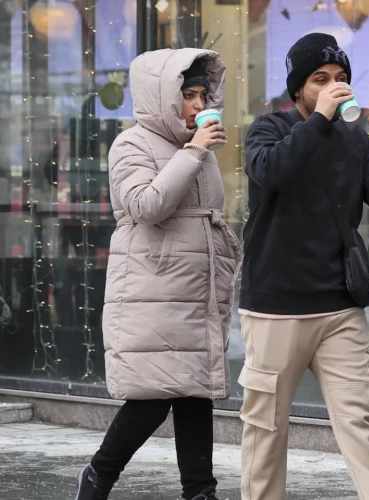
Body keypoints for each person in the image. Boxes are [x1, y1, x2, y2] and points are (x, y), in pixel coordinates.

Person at [239, 33, 369, 500]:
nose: (334, 86)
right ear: (298, 90)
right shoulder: (268, 128)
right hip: (275, 307)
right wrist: (320, 121)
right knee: (265, 429)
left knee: (360, 421)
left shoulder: (356, 140)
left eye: (341, 78)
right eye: (321, 79)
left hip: (338, 306)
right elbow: (271, 170)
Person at [76, 49, 237, 500]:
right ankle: (98, 476)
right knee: (152, 397)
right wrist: (193, 151)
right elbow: (146, 205)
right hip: (153, 286)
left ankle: (200, 491)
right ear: (163, 96)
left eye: (203, 94)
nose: (199, 104)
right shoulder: (131, 144)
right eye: (188, 95)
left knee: (195, 392)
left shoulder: (196, 149)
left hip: (195, 287)